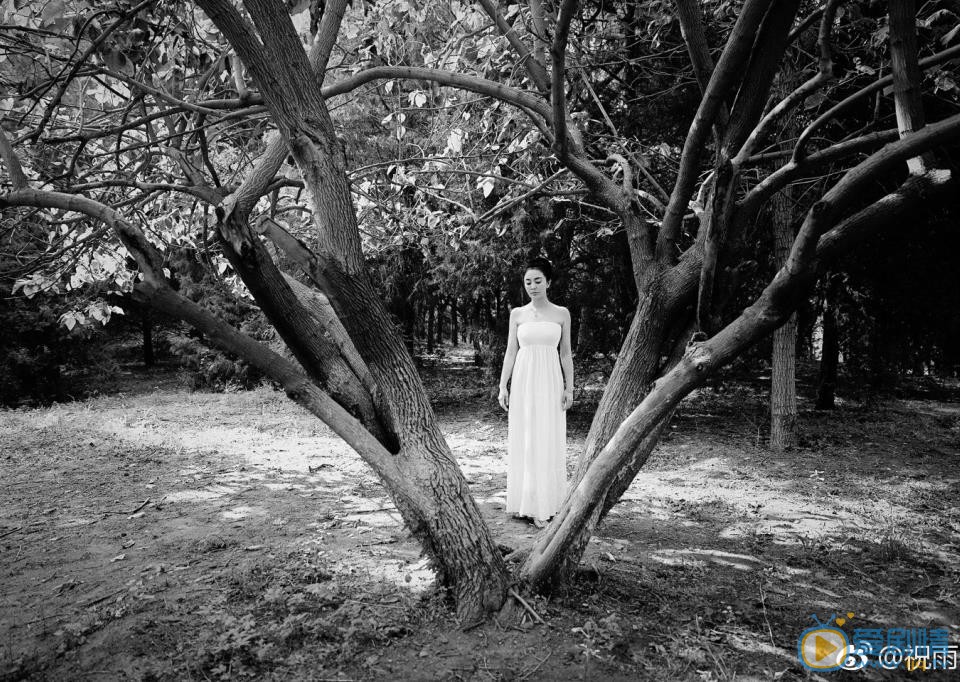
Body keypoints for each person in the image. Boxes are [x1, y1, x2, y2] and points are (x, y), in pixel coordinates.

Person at [498, 257, 574, 528]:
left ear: (549, 282)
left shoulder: (561, 313)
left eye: (538, 281)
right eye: (528, 281)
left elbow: (565, 354)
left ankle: (548, 503)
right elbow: (511, 351)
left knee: (547, 436)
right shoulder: (517, 314)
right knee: (526, 437)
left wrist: (569, 387)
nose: (533, 286)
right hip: (523, 381)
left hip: (551, 382)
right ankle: (526, 502)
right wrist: (502, 384)